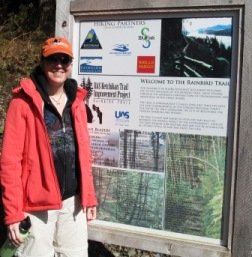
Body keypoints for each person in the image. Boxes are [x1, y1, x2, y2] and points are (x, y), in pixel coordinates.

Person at [0, 36, 97, 257]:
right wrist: (13, 213)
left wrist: (89, 197)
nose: (59, 65)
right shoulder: (22, 103)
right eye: (53, 59)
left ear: (71, 65)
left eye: (64, 59)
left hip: (73, 203)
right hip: (36, 206)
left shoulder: (77, 103)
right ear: (42, 63)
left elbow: (83, 152)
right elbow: (10, 162)